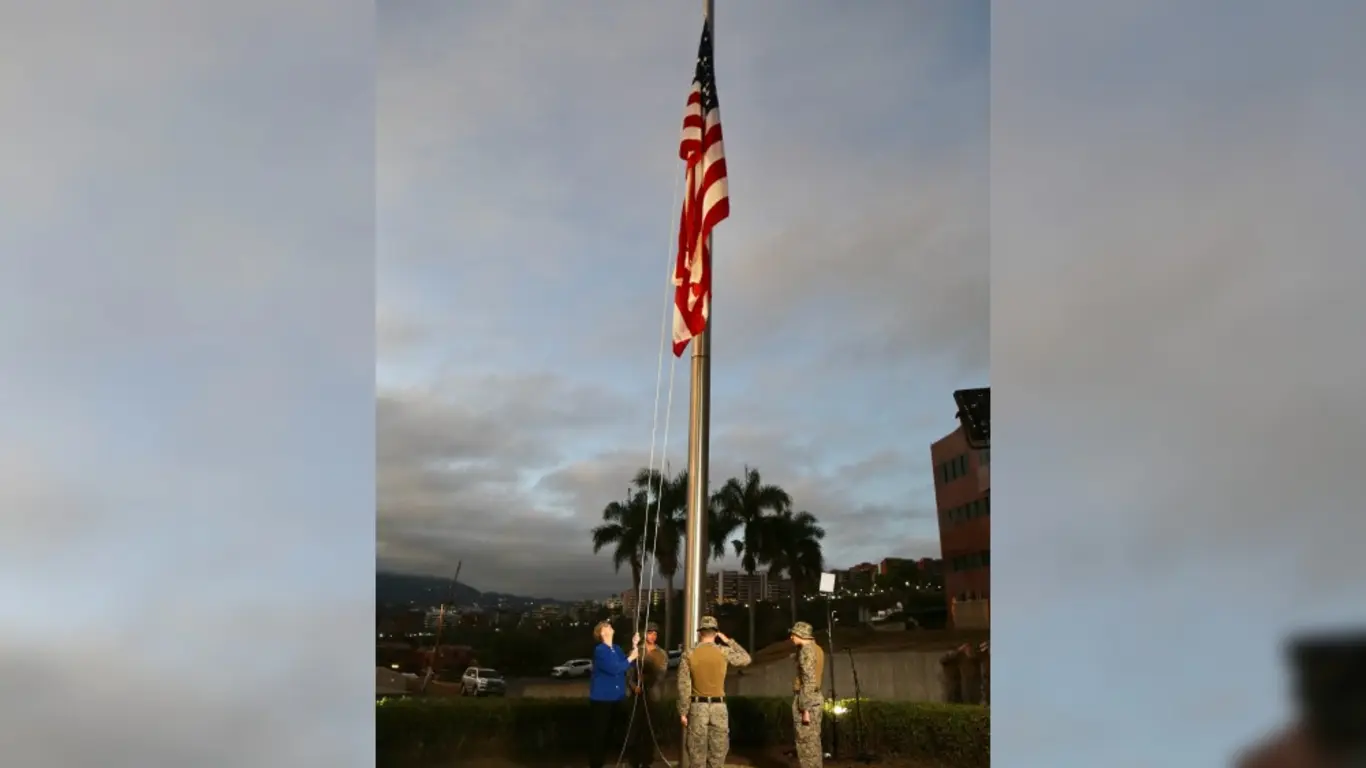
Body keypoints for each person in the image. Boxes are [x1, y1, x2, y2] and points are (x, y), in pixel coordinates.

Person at [677, 616, 751, 768]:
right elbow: (746, 658)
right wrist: (729, 640)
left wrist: (683, 711)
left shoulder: (689, 654)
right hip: (719, 707)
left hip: (698, 707)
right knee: (718, 755)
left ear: (700, 633)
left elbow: (683, 686)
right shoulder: (724, 651)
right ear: (716, 633)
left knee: (696, 755)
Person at [588, 621, 640, 768]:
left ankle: (624, 762)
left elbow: (627, 664)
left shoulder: (616, 649)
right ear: (602, 633)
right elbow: (614, 668)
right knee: (600, 736)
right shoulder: (600, 650)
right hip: (602, 700)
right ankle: (596, 765)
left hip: (618, 698)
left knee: (619, 734)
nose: (610, 627)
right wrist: (631, 658)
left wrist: (634, 646)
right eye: (606, 626)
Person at [625, 622, 669, 768]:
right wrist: (633, 686)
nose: (653, 636)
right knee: (635, 729)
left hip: (652, 696)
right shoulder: (637, 651)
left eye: (655, 634)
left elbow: (661, 674)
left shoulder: (661, 654)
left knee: (649, 730)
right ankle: (634, 760)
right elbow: (629, 672)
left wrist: (649, 682)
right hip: (636, 695)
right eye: (650, 633)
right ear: (645, 634)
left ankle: (647, 761)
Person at [789, 621, 826, 768]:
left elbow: (809, 680)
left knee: (806, 744)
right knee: (813, 742)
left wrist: (805, 708)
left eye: (793, 634)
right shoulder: (816, 649)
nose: (791, 637)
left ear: (800, 634)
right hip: (813, 697)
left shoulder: (806, 651)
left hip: (807, 699)